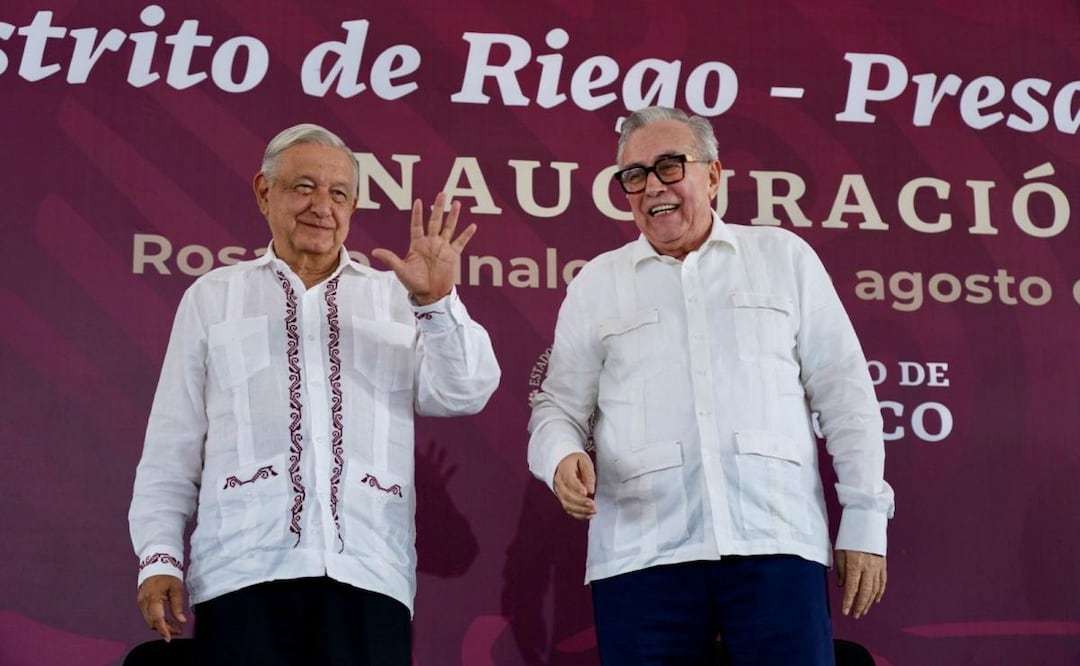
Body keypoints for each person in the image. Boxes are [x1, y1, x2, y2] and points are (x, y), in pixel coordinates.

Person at [527, 106, 894, 665]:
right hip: (641, 558)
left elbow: (845, 394)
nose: (652, 187)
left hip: (775, 546)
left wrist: (865, 520)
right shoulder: (596, 284)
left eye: (669, 166)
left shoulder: (783, 257)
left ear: (714, 175)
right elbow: (557, 407)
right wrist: (560, 456)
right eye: (634, 175)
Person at [129, 123, 500, 666]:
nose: (321, 206)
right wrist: (158, 556)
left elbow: (464, 391)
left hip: (370, 574)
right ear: (264, 192)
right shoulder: (213, 298)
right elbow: (171, 445)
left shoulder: (396, 297)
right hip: (243, 571)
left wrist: (438, 304)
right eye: (303, 187)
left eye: (338, 193)